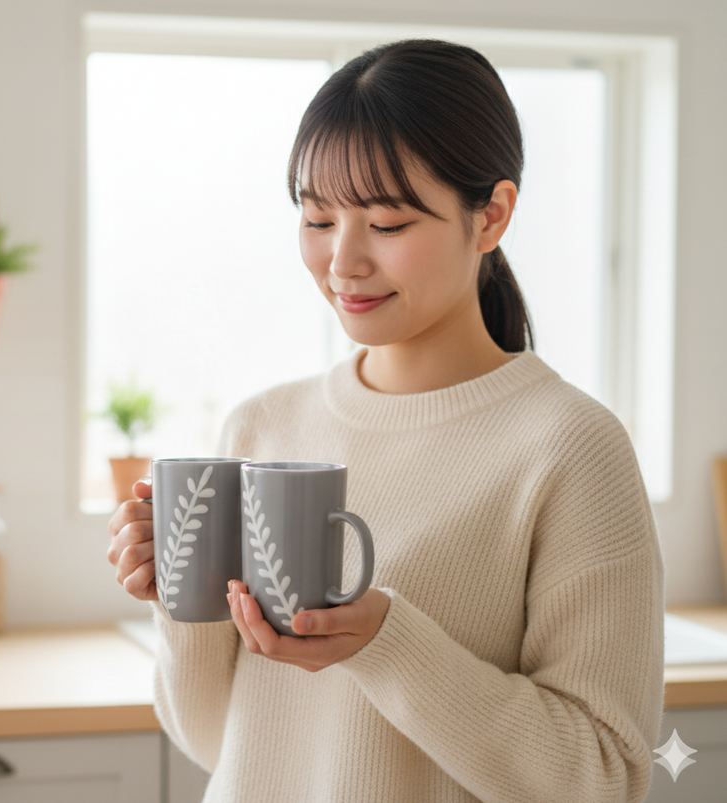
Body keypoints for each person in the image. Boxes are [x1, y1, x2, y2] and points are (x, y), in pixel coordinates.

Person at [106, 39, 664, 803]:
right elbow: (223, 744)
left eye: (389, 224)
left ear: (492, 215)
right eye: (317, 218)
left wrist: (386, 644)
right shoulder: (260, 427)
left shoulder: (569, 447)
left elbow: (603, 776)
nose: (343, 261)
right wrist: (181, 597)